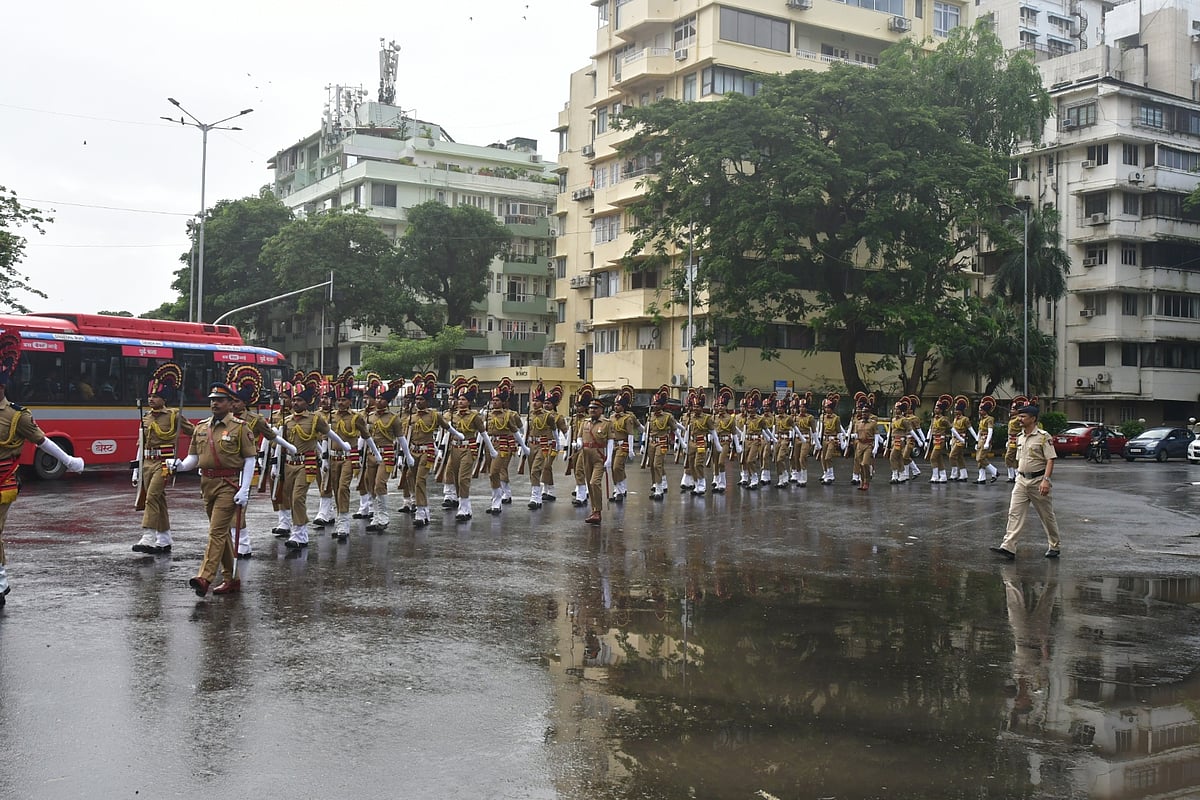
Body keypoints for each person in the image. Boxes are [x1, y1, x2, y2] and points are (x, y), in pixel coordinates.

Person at [0, 330, 85, 607]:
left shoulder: (16, 416)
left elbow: (43, 442)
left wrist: (69, 462)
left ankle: (0, 582)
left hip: (3, 484)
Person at [169, 383, 257, 597]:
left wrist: (245, 489)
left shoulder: (240, 427)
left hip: (229, 484)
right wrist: (179, 466)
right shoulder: (201, 427)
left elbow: (250, 459)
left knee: (216, 532)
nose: (214, 403)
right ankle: (231, 579)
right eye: (212, 399)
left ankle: (205, 577)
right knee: (223, 534)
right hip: (207, 484)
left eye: (220, 399)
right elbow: (194, 459)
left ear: (230, 403)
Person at [227, 364, 296, 558]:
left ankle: (243, 544)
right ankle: (236, 542)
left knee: (239, 507)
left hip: (246, 468)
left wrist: (289, 448)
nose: (233, 405)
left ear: (244, 403)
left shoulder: (255, 419)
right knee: (226, 507)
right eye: (231, 401)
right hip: (226, 468)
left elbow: (271, 436)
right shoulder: (225, 418)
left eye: (236, 402)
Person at [278, 372, 352, 549]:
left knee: (298, 498)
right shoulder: (286, 421)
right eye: (294, 400)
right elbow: (281, 442)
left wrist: (343, 444)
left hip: (307, 463)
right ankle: (294, 529)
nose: (295, 403)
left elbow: (328, 434)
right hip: (289, 463)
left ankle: (300, 533)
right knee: (287, 496)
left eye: (299, 400)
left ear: (307, 402)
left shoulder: (315, 419)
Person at [132, 362, 194, 555]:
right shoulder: (146, 417)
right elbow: (140, 444)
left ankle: (148, 537)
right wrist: (136, 469)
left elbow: (196, 433)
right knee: (158, 499)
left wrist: (193, 456)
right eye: (150, 395)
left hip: (164, 463)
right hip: (147, 463)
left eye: (156, 396)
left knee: (152, 497)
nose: (151, 399)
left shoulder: (174, 415)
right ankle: (165, 538)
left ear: (164, 398)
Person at [990, 403, 1061, 561]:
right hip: (1021, 480)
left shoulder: (1043, 436)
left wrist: (1046, 480)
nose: (1019, 419)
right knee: (1014, 513)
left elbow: (1050, 459)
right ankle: (1008, 547)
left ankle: (1054, 545)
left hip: (1038, 481)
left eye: (1023, 416)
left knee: (1046, 516)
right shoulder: (1020, 436)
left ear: (1033, 419)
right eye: (1019, 416)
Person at [407, 373, 462, 527]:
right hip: (413, 451)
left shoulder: (434, 415)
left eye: (421, 399)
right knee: (410, 477)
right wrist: (401, 454)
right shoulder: (411, 416)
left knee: (420, 480)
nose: (418, 402)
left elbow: (447, 427)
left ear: (428, 400)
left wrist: (458, 435)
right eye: (417, 399)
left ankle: (420, 511)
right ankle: (424, 509)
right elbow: (405, 435)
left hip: (427, 451)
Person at [331, 370, 379, 537]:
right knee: (336, 489)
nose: (341, 403)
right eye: (338, 400)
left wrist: (376, 453)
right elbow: (324, 438)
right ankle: (339, 517)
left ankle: (344, 523)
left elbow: (367, 436)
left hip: (348, 457)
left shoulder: (356, 417)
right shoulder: (331, 417)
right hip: (332, 457)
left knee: (344, 487)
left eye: (344, 400)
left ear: (350, 401)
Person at [362, 377, 409, 533]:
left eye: (382, 398)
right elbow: (364, 436)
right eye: (378, 397)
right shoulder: (370, 417)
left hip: (387, 454)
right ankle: (375, 515)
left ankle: (383, 516)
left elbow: (401, 439)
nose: (378, 400)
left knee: (379, 484)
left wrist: (406, 455)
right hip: (370, 455)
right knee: (370, 486)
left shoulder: (393, 419)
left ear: (388, 401)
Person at [484, 378, 528, 515]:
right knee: (493, 472)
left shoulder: (511, 415)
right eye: (493, 400)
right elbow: (483, 431)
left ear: (503, 402)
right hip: (490, 445)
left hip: (505, 445)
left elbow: (519, 431)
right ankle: (501, 495)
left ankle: (500, 499)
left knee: (497, 471)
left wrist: (523, 445)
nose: (494, 402)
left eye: (497, 400)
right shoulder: (487, 415)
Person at [577, 396, 615, 525]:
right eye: (591, 408)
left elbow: (610, 441)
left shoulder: (606, 423)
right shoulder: (585, 423)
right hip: (585, 455)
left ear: (601, 410)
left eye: (595, 408)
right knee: (589, 483)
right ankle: (594, 510)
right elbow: (580, 437)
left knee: (594, 482)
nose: (592, 410)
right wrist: (577, 443)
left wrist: (609, 458)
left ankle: (598, 511)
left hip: (599, 456)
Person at [607, 385, 642, 501]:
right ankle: (619, 489)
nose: (616, 407)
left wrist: (631, 449)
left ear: (623, 406)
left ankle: (620, 491)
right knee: (614, 468)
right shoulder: (611, 417)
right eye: (615, 404)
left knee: (617, 467)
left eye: (618, 405)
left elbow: (631, 434)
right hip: (613, 445)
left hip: (623, 445)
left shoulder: (628, 418)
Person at [974, 395, 999, 484]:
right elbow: (979, 431)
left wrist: (987, 442)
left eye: (981, 410)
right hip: (981, 439)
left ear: (985, 411)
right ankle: (981, 478)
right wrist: (977, 441)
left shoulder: (989, 419)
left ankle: (994, 471)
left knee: (980, 458)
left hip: (985, 440)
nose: (979, 411)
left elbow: (990, 431)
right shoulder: (981, 419)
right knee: (980, 461)